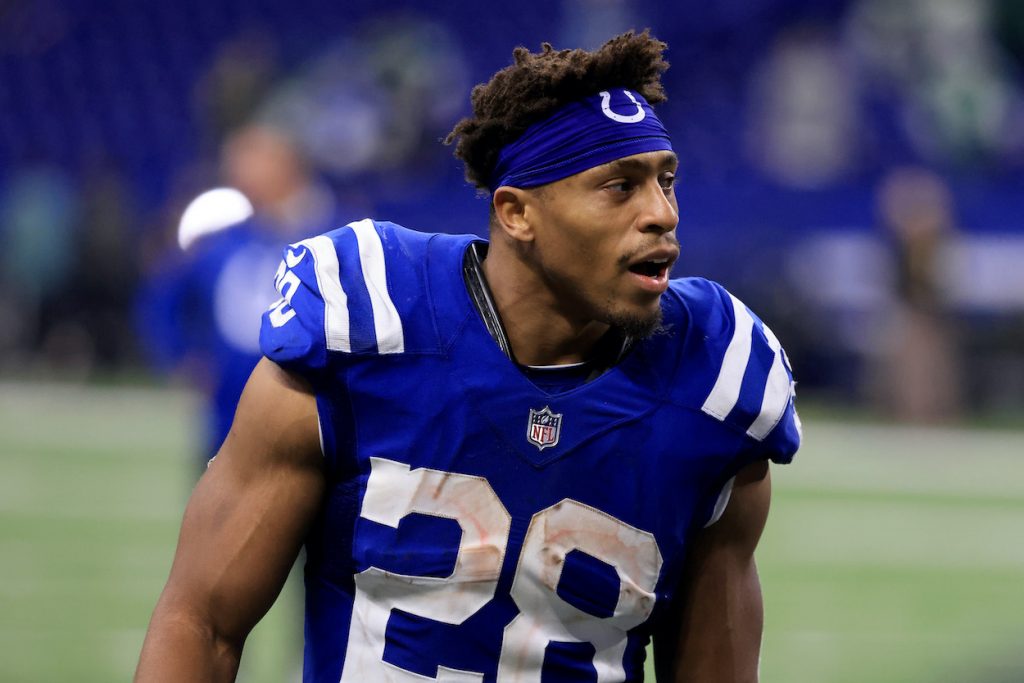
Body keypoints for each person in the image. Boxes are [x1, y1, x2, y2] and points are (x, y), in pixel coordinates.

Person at [135, 31, 801, 682]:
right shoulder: (368, 325)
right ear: (516, 213)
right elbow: (203, 622)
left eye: (666, 180)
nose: (662, 213)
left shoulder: (713, 385)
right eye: (620, 186)